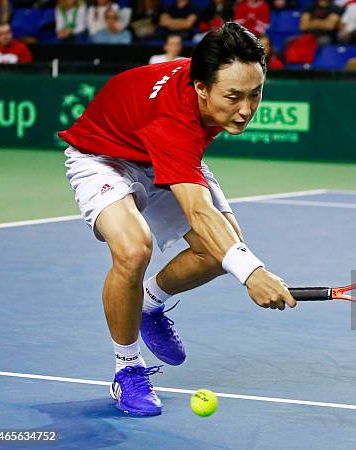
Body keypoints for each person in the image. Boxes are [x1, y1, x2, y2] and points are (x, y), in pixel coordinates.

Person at [58, 22, 295, 417]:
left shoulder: (208, 72)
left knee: (220, 251)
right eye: (233, 97)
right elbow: (199, 212)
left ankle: (148, 304)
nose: (246, 110)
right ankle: (128, 369)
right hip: (105, 158)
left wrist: (240, 261)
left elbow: (215, 233)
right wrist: (253, 273)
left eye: (256, 94)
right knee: (134, 249)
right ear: (200, 87)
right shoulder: (173, 119)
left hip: (157, 153)